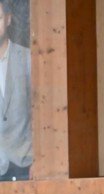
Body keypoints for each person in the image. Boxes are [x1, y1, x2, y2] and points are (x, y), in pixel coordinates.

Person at [0, 0, 32, 182]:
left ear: (8, 19)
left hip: (25, 165)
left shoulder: (28, 59)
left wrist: (41, 161)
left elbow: (41, 115)